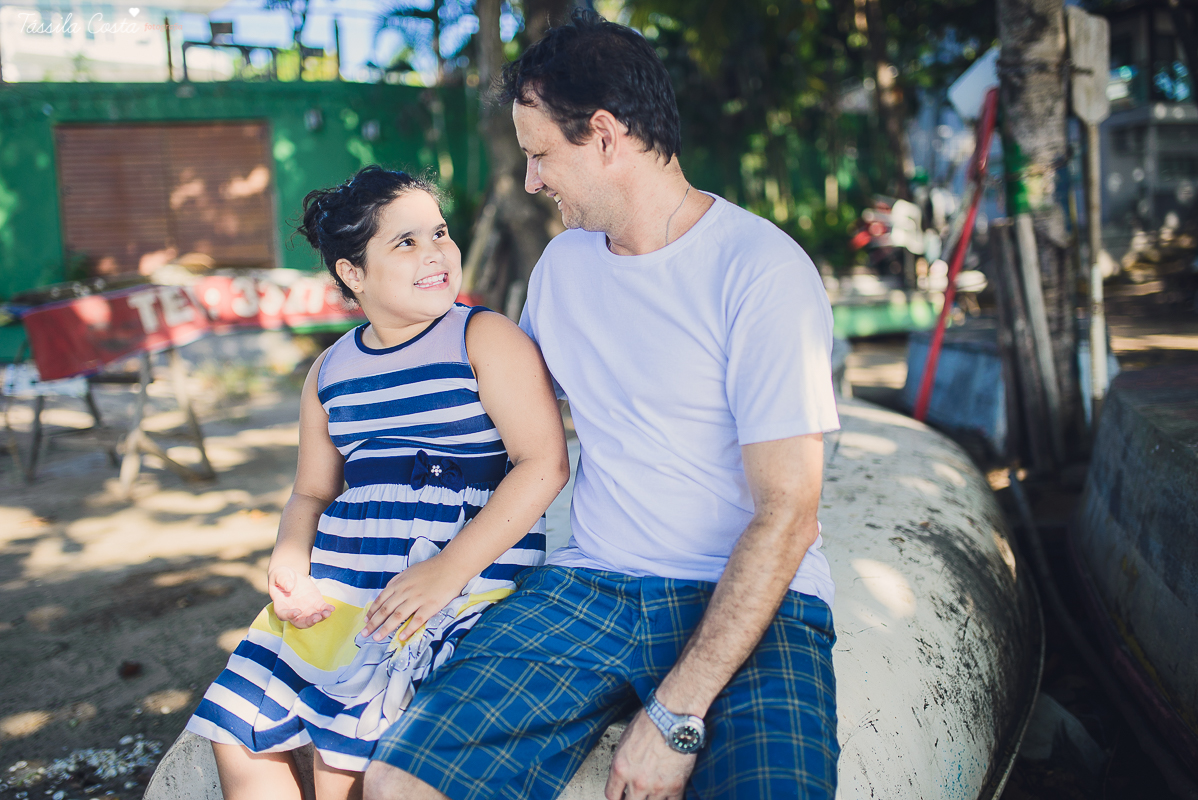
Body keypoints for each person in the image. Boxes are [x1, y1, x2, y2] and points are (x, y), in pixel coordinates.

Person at [365, 10, 841, 800]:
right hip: (595, 586)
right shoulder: (563, 266)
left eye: (541, 154)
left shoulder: (761, 270)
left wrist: (676, 715)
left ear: (607, 136)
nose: (530, 181)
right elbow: (499, 419)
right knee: (399, 785)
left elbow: (789, 512)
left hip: (760, 600)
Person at [185, 165, 570, 800]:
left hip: (459, 582)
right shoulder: (329, 371)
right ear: (352, 273)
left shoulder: (483, 336)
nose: (437, 253)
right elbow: (311, 491)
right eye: (406, 242)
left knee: (348, 760)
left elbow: (543, 464)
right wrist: (288, 563)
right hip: (347, 581)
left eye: (439, 233)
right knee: (237, 728)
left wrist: (446, 571)